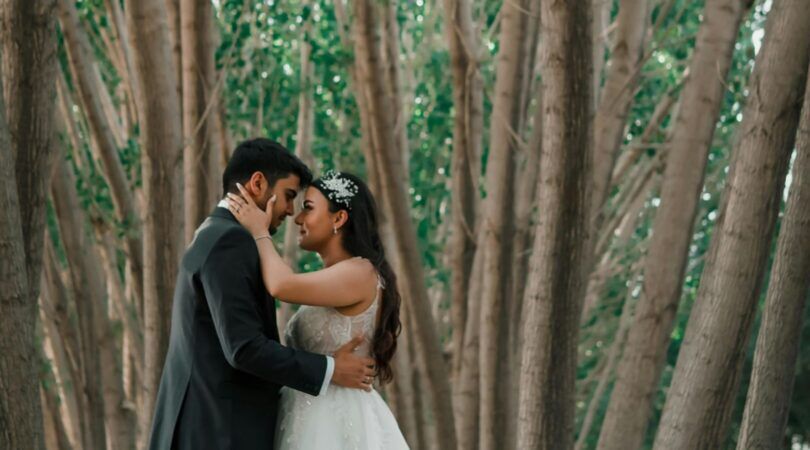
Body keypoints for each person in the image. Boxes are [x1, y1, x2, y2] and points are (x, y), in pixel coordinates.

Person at [148, 139, 376, 450]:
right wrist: (331, 369)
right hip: (218, 432)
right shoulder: (232, 241)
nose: (291, 211)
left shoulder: (213, 231)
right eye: (289, 196)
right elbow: (244, 348)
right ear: (258, 183)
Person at [226, 170, 409, 449]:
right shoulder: (337, 275)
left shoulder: (360, 272)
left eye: (308, 209)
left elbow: (280, 285)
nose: (297, 218)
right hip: (302, 414)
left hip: (335, 422)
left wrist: (259, 231)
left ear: (339, 218)